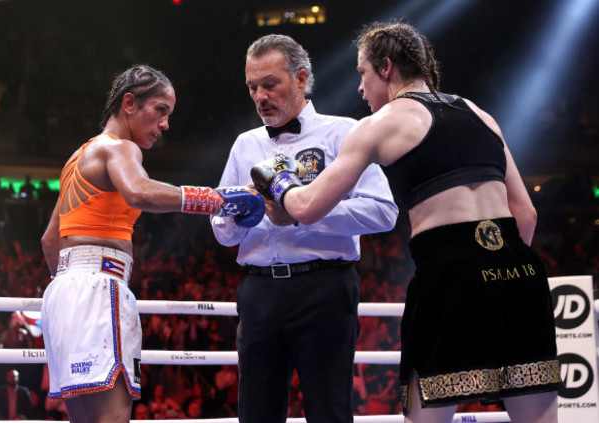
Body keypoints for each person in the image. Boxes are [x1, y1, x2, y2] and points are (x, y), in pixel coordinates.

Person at [252, 21, 561, 423]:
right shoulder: (479, 113)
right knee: (535, 411)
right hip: (520, 272)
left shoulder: (380, 124)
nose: (361, 89)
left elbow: (308, 206)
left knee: (426, 412)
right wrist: (499, 264)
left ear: (385, 67)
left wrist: (278, 178)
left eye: (362, 74)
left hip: (450, 273)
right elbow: (526, 214)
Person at [40, 64, 265, 423]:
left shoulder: (77, 158)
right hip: (98, 285)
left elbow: (50, 239)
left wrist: (74, 288)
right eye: (160, 110)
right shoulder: (120, 149)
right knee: (113, 418)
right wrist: (217, 199)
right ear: (129, 103)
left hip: (62, 293)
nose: (165, 124)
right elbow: (140, 191)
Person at [211, 34, 398, 423]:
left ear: (300, 78)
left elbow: (383, 211)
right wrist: (238, 216)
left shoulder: (344, 132)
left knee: (329, 411)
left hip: (323, 289)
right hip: (258, 290)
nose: (260, 95)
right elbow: (222, 231)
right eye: (252, 87)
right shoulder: (244, 145)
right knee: (256, 414)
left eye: (269, 84)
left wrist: (304, 212)